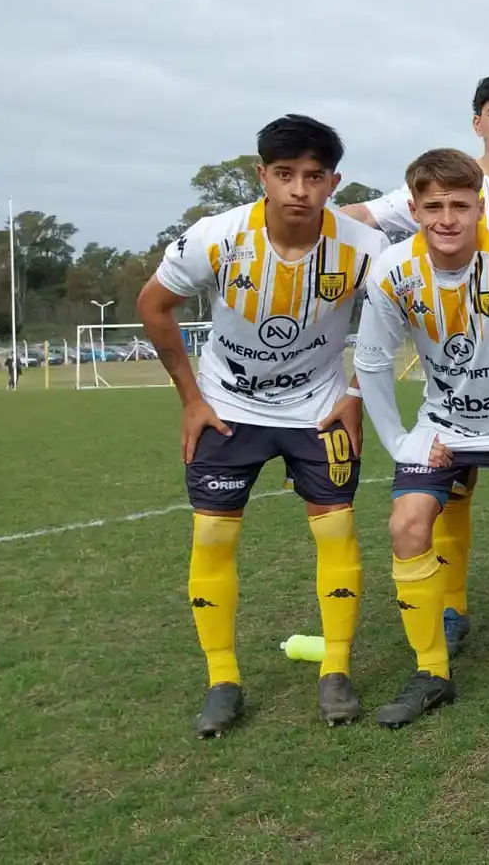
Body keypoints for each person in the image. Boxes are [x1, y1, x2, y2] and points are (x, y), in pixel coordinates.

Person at [136, 114, 386, 738]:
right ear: (262, 177)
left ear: (334, 182)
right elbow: (153, 305)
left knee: (337, 532)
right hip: (229, 407)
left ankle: (335, 670)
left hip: (318, 409)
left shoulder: (365, 249)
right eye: (285, 175)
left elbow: (391, 322)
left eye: (313, 176)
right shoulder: (217, 237)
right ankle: (222, 680)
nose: (299, 189)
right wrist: (192, 398)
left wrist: (355, 391)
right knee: (214, 541)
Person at [342, 73, 489, 658]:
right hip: (453, 364)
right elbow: (361, 217)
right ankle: (449, 609)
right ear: (478, 123)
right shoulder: (443, 181)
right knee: (447, 495)